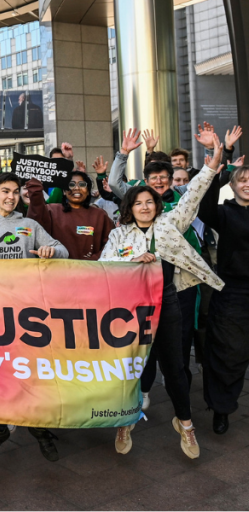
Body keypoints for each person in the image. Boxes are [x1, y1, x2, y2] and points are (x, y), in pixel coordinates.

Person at [100, 131, 225, 460]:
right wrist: (129, 259)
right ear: (130, 207)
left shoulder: (171, 224)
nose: (144, 206)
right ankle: (125, 421)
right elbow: (101, 268)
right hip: (129, 312)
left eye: (149, 202)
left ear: (157, 205)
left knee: (175, 368)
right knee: (131, 369)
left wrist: (215, 154)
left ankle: (185, 424)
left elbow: (194, 193)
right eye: (138, 202)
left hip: (167, 304)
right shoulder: (119, 235)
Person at [0, 171, 66, 462]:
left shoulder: (30, 226)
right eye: (5, 191)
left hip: (28, 314)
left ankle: (39, 429)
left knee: (31, 372)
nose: (10, 196)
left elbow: (63, 251)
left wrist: (50, 251)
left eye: (15, 192)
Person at [197, 159, 249, 435]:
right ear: (233, 185)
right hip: (233, 292)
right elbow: (204, 209)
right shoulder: (224, 213)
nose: (247, 184)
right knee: (229, 352)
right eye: (242, 180)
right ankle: (221, 408)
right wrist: (220, 167)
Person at [25, 170, 114, 260]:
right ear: (64, 191)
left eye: (82, 184)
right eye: (71, 184)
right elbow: (34, 226)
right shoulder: (51, 210)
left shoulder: (99, 215)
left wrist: (93, 260)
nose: (76, 188)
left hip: (91, 270)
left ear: (88, 192)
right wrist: (35, 192)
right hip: (58, 270)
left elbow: (112, 243)